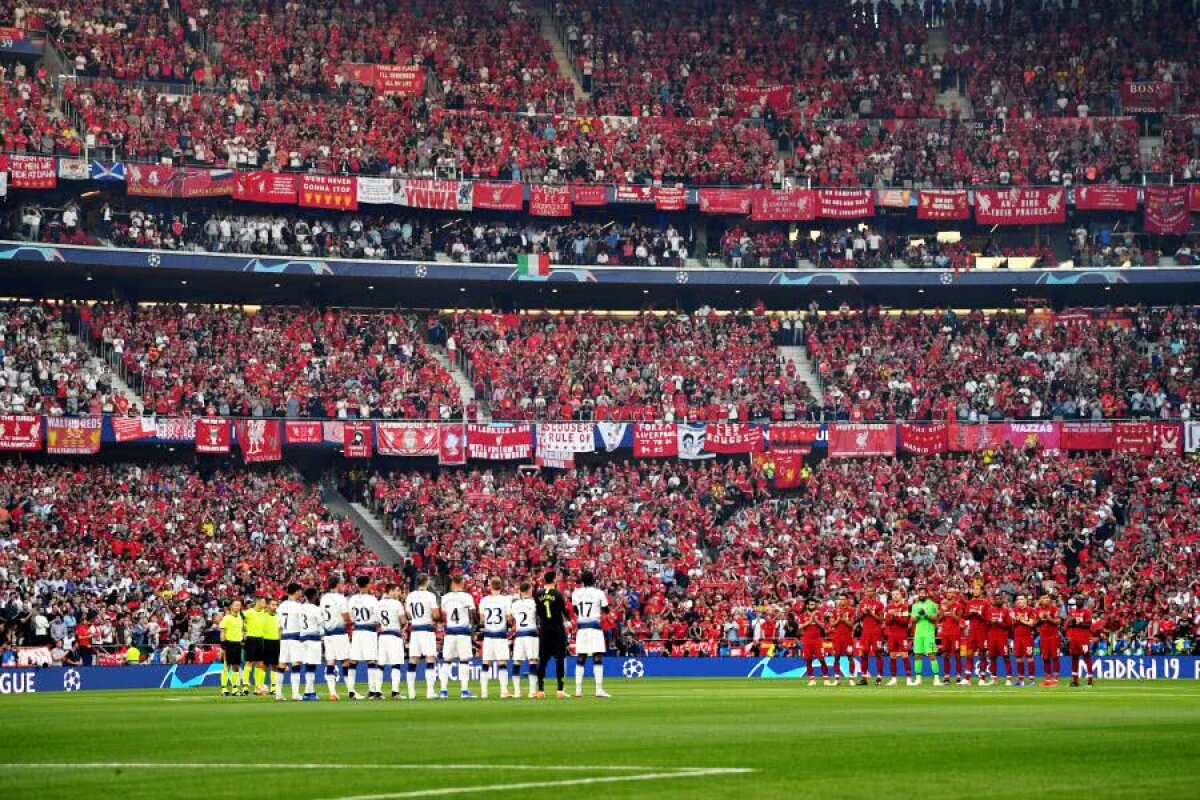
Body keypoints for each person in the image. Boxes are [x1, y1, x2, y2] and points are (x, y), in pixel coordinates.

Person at [571, 570, 611, 698]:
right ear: (593, 580)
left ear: (582, 581)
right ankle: (598, 690)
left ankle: (578, 690)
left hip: (582, 628)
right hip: (595, 628)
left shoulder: (576, 593)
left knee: (581, 657)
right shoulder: (599, 593)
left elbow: (575, 610)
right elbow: (606, 609)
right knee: (597, 657)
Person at [535, 570, 571, 699]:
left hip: (544, 629)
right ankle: (560, 690)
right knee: (559, 659)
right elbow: (563, 611)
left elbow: (538, 612)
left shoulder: (538, 594)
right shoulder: (557, 594)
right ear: (554, 580)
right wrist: (569, 620)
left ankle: (540, 690)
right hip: (557, 629)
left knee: (543, 660)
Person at [440, 575, 476, 699]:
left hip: (450, 631)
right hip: (463, 632)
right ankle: (464, 691)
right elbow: (473, 612)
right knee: (464, 660)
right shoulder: (467, 597)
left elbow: (444, 613)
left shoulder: (445, 598)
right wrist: (470, 622)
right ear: (460, 583)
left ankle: (443, 691)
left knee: (446, 661)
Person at [405, 574, 440, 700]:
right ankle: (430, 692)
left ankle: (411, 692)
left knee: (413, 660)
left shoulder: (410, 596)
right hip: (426, 630)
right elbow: (436, 615)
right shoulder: (430, 596)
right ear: (426, 582)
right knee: (430, 658)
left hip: (415, 630)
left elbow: (408, 614)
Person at [479, 577, 514, 699]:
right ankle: (503, 691)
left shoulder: (484, 600)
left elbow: (482, 619)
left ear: (490, 586)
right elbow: (509, 618)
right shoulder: (506, 600)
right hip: (500, 636)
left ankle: (484, 693)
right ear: (501, 586)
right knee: (502, 663)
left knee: (485, 663)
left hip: (488, 636)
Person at [347, 575, 381, 700]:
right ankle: (372, 690)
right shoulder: (372, 599)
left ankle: (351, 691)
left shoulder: (352, 599)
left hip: (357, 631)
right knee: (371, 660)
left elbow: (350, 616)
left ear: (357, 585)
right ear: (368, 585)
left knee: (353, 661)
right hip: (369, 631)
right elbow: (378, 617)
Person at [319, 576, 352, 700]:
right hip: (339, 633)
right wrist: (350, 619)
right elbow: (346, 616)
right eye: (341, 584)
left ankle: (332, 693)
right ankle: (351, 692)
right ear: (337, 585)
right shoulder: (341, 598)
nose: (343, 586)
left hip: (328, 634)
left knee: (330, 662)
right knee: (345, 662)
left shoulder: (323, 598)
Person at [377, 583, 408, 699]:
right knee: (396, 664)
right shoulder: (396, 603)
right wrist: (404, 623)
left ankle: (377, 692)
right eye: (397, 590)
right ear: (391, 591)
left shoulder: (378, 603)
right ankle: (395, 692)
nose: (399, 593)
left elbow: (377, 620)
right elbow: (403, 621)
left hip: (383, 635)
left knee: (381, 665)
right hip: (394, 635)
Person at [510, 581, 539, 699]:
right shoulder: (534, 603)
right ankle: (532, 692)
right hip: (531, 634)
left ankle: (517, 692)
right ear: (529, 590)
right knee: (533, 661)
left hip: (519, 635)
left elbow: (512, 617)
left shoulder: (515, 604)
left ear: (520, 591)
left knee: (517, 662)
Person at [276, 583, 304, 702]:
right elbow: (303, 624)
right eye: (300, 591)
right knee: (296, 664)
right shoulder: (299, 607)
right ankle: (295, 694)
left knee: (282, 665)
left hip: (284, 637)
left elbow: (279, 626)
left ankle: (278, 694)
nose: (301, 593)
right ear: (296, 591)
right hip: (295, 637)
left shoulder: (281, 606)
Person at [910, 586, 940, 686]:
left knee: (931, 655)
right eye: (920, 593)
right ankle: (918, 679)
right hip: (918, 634)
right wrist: (919, 615)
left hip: (929, 633)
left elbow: (935, 619)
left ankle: (936, 679)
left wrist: (926, 615)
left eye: (923, 593)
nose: (921, 594)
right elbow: (913, 620)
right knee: (917, 655)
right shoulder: (915, 606)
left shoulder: (932, 604)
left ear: (926, 594)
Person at [963, 582, 992, 684]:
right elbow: (965, 616)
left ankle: (982, 678)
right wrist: (971, 614)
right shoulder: (969, 602)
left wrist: (980, 616)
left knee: (982, 654)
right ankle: (967, 678)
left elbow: (989, 619)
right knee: (969, 654)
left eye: (977, 589)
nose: (975, 591)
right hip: (972, 632)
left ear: (981, 591)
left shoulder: (986, 603)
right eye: (974, 589)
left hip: (982, 632)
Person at [219, 598, 247, 697]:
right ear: (231, 606)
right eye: (236, 605)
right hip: (229, 644)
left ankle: (235, 688)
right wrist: (223, 645)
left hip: (238, 644)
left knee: (236, 667)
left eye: (239, 605)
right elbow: (222, 631)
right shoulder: (227, 618)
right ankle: (224, 688)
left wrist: (244, 639)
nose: (238, 607)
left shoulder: (241, 617)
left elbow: (244, 629)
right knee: (227, 666)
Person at [300, 588, 324, 700]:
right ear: (314, 596)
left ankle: (311, 691)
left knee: (308, 665)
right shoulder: (316, 609)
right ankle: (307, 693)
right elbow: (322, 624)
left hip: (303, 639)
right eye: (317, 595)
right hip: (313, 639)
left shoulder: (301, 608)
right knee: (311, 666)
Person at [857, 589, 886, 685]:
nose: (868, 593)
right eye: (867, 591)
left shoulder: (879, 604)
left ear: (874, 593)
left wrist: (871, 613)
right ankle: (864, 678)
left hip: (876, 632)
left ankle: (879, 677)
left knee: (878, 654)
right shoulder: (862, 604)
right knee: (863, 654)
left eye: (870, 591)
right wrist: (863, 613)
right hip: (865, 632)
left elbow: (881, 620)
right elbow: (858, 618)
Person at [884, 589, 911, 686]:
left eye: (897, 594)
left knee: (904, 655)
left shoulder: (904, 607)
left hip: (902, 635)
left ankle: (909, 679)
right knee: (892, 656)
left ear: (900, 596)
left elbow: (905, 622)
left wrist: (894, 616)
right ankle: (893, 679)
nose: (895, 596)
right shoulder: (888, 608)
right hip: (891, 635)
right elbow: (886, 622)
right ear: (891, 597)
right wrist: (891, 616)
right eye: (893, 594)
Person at [798, 597, 828, 687]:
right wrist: (809, 621)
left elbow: (823, 626)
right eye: (811, 604)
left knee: (822, 659)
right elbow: (800, 627)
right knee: (808, 660)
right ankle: (812, 679)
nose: (813, 606)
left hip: (817, 641)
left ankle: (826, 679)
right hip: (807, 641)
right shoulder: (802, 615)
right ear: (807, 605)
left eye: (814, 604)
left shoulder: (819, 614)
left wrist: (816, 620)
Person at [1065, 597, 1095, 687]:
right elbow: (1068, 625)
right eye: (1077, 600)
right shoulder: (1071, 612)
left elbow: (1088, 625)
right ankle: (1075, 681)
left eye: (1080, 600)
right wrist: (1072, 623)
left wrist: (1079, 622)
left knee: (1087, 657)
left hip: (1084, 639)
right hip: (1074, 639)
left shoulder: (1087, 612)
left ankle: (1090, 681)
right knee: (1074, 658)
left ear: (1083, 602)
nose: (1079, 601)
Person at [939, 587, 966, 685]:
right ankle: (946, 677)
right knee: (945, 655)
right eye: (947, 592)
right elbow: (939, 619)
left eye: (951, 592)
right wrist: (944, 612)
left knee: (957, 655)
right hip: (945, 633)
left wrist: (952, 614)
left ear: (954, 594)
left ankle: (958, 676)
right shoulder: (942, 605)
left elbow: (959, 620)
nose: (948, 594)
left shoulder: (959, 605)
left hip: (955, 633)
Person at [242, 594, 268, 695]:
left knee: (260, 664)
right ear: (258, 602)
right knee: (249, 662)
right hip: (251, 639)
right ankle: (245, 687)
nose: (265, 604)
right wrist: (243, 630)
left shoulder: (264, 612)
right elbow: (239, 620)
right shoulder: (248, 612)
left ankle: (258, 687)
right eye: (263, 602)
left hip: (261, 640)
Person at [986, 592, 1014, 686]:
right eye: (996, 599)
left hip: (1002, 638)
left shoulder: (1006, 611)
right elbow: (987, 624)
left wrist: (998, 622)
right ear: (994, 600)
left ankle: (1009, 679)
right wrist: (991, 622)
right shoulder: (990, 611)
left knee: (1006, 657)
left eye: (1000, 599)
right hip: (992, 637)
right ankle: (994, 679)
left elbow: (1009, 625)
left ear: (1002, 600)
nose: (998, 600)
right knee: (992, 658)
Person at [829, 594, 856, 685]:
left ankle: (851, 678)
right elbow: (832, 624)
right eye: (840, 599)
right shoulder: (834, 611)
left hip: (847, 637)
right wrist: (838, 619)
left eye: (843, 599)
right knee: (836, 657)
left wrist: (844, 619)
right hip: (837, 637)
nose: (841, 601)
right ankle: (837, 679)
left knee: (850, 657)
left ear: (847, 600)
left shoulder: (851, 610)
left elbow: (852, 625)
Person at [1036, 593, 1062, 687]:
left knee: (1055, 657)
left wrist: (1048, 618)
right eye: (1044, 598)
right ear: (1040, 600)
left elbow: (1058, 621)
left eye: (1047, 598)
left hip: (1053, 637)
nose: (1046, 599)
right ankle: (1047, 679)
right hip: (1043, 637)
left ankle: (1055, 679)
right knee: (1045, 658)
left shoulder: (1054, 609)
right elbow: (1035, 623)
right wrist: (1040, 620)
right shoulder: (1038, 610)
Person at [1011, 594, 1037, 687]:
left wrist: (1021, 619)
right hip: (1017, 637)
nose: (1019, 601)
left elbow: (1032, 624)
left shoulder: (1031, 610)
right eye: (1018, 599)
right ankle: (1021, 680)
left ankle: (1031, 681)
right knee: (1018, 658)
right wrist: (1015, 619)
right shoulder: (1014, 610)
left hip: (1027, 637)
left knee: (1029, 657)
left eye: (1021, 599)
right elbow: (1013, 624)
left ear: (1026, 600)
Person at [261, 596, 281, 698]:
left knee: (275, 665)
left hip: (276, 641)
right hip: (265, 641)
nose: (275, 607)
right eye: (273, 605)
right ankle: (261, 686)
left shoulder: (279, 616)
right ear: (268, 606)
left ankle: (273, 687)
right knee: (264, 665)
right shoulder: (263, 616)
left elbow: (280, 630)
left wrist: (281, 642)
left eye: (276, 605)